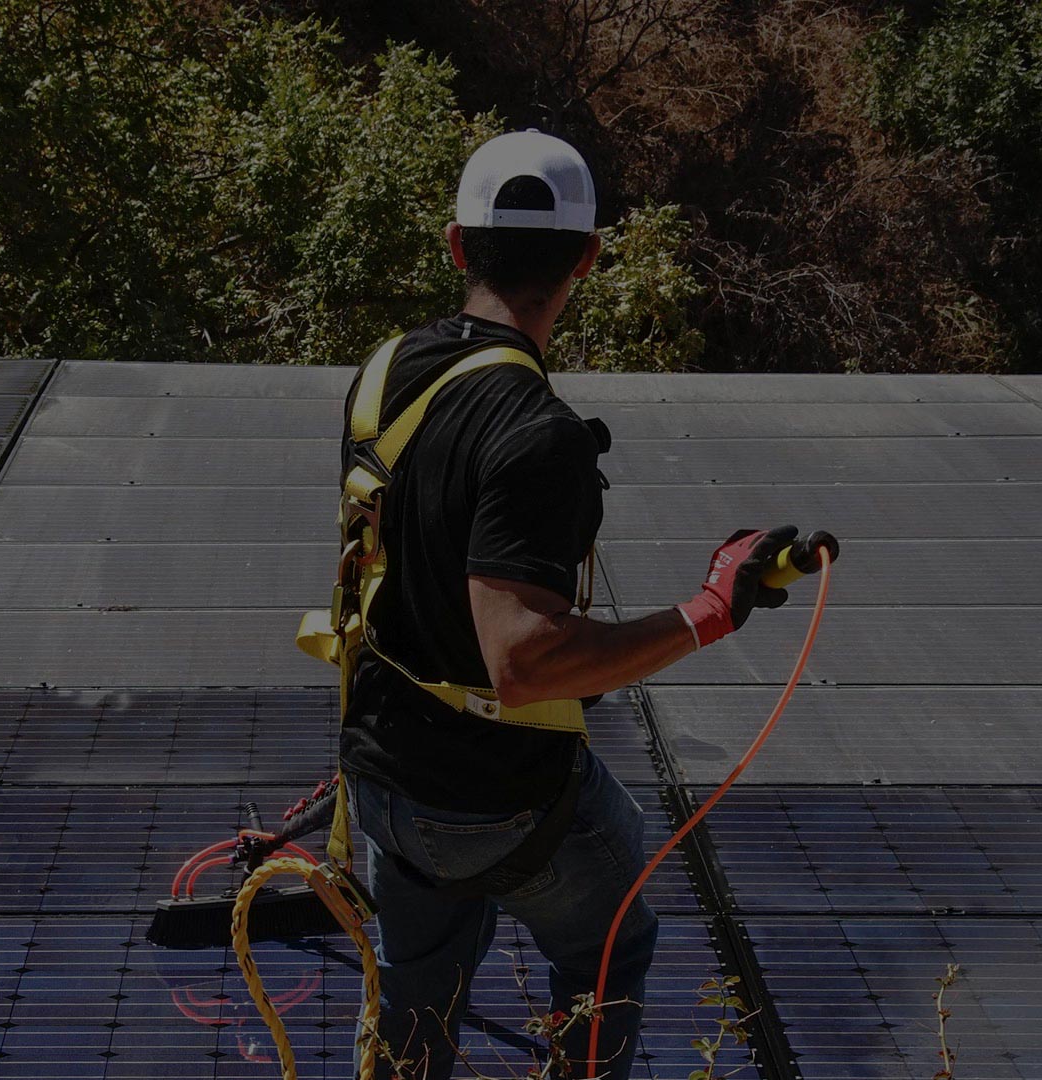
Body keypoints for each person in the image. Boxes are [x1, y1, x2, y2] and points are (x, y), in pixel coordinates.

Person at [339, 130, 796, 1079]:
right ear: (589, 258)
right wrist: (713, 608)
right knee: (608, 955)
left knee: (418, 998)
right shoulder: (538, 438)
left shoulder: (386, 374)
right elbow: (525, 664)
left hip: (384, 777)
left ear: (458, 245)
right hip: (503, 804)